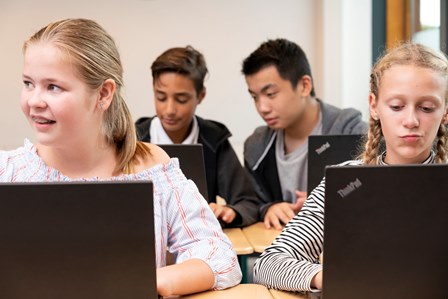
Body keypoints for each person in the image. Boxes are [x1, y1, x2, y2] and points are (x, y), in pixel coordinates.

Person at [0, 18, 241, 297]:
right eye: (29, 83)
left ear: (103, 93)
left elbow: (220, 256)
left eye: (53, 87)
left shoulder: (152, 169)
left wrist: (147, 281)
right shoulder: (8, 172)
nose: (34, 101)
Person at [253, 42, 448, 291]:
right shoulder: (344, 183)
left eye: (427, 108)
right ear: (374, 106)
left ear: (445, 112)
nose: (410, 121)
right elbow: (269, 264)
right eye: (397, 107)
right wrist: (335, 276)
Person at [241, 38, 368, 230]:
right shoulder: (256, 146)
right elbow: (250, 202)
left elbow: (375, 193)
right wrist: (269, 209)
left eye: (271, 94)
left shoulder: (352, 133)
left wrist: (331, 201)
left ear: (304, 86)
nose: (262, 107)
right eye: (254, 97)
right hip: (283, 252)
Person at [135, 46, 260, 227]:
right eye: (161, 97)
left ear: (201, 95)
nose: (169, 110)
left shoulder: (214, 140)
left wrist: (231, 212)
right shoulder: (134, 140)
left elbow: (248, 202)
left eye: (181, 100)